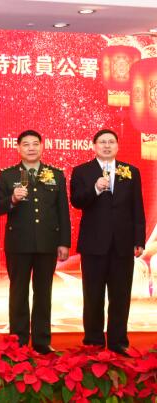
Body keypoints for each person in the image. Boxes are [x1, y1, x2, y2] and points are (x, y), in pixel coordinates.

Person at [0, 129, 70, 354]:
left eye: (35, 143)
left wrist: (64, 242)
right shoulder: (7, 175)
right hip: (19, 243)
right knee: (18, 292)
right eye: (26, 144)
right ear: (18, 148)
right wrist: (12, 199)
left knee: (44, 292)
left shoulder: (56, 174)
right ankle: (17, 340)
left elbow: (62, 211)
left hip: (47, 243)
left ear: (42, 146)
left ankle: (42, 341)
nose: (31, 148)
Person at [70, 129, 145, 356]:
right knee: (93, 295)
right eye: (102, 142)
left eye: (111, 142)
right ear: (93, 146)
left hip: (123, 244)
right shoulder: (82, 171)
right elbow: (76, 201)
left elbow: (137, 207)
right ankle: (93, 341)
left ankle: (118, 341)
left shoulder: (130, 171)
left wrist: (139, 240)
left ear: (117, 146)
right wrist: (95, 188)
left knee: (120, 296)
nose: (106, 145)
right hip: (94, 244)